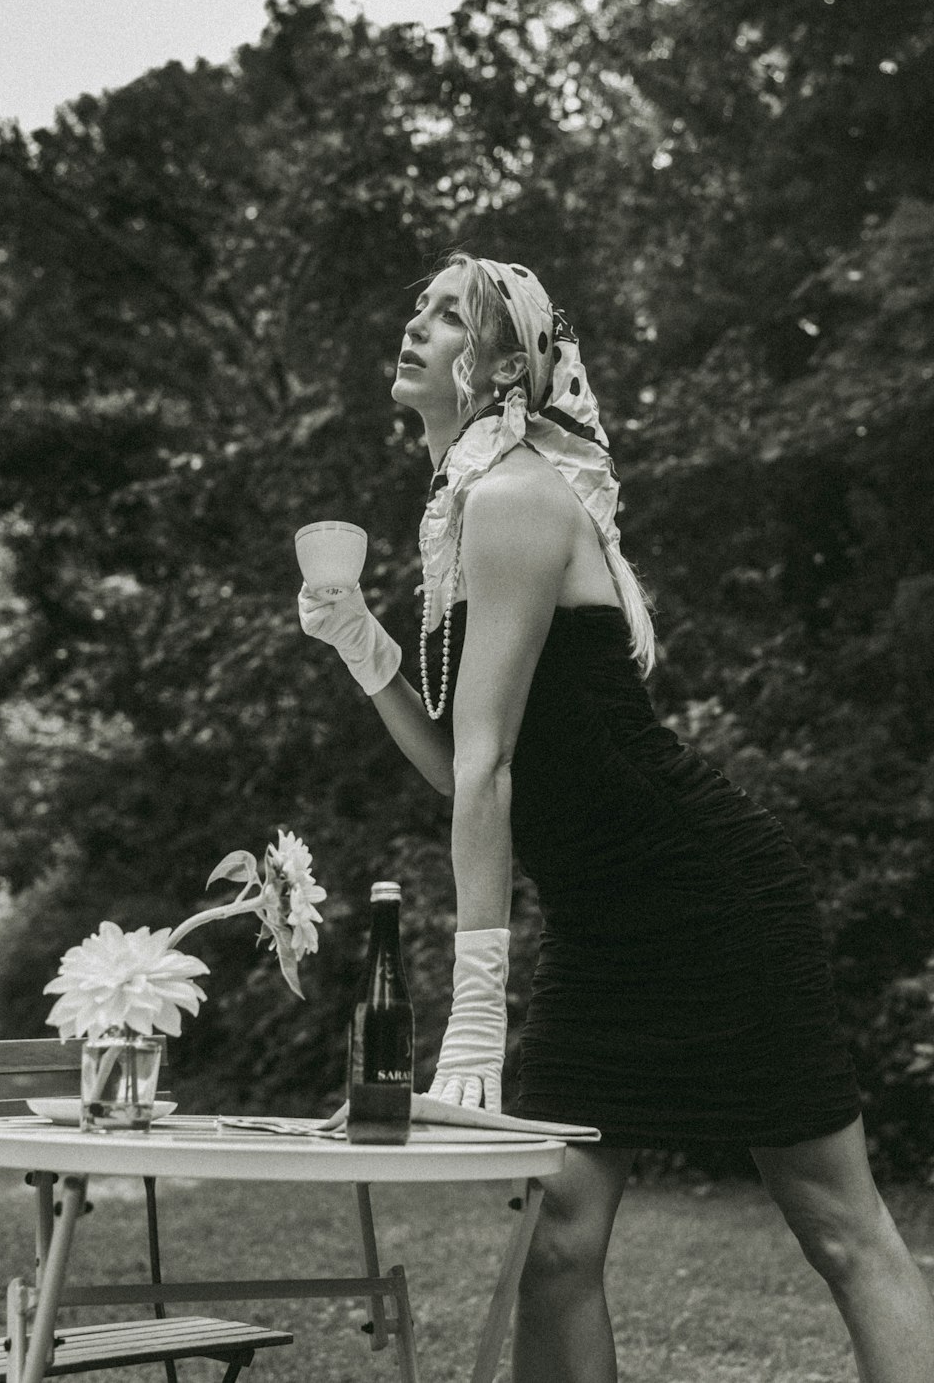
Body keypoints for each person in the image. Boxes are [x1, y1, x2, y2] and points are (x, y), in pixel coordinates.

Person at [298, 252, 934, 1383]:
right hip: (605, 930)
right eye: (420, 308)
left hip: (711, 898)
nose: (416, 326)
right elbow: (467, 768)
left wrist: (473, 1017)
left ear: (501, 367)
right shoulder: (461, 516)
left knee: (840, 1229)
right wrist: (360, 644)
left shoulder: (517, 497)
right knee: (556, 1241)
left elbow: (490, 770)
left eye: (450, 316)